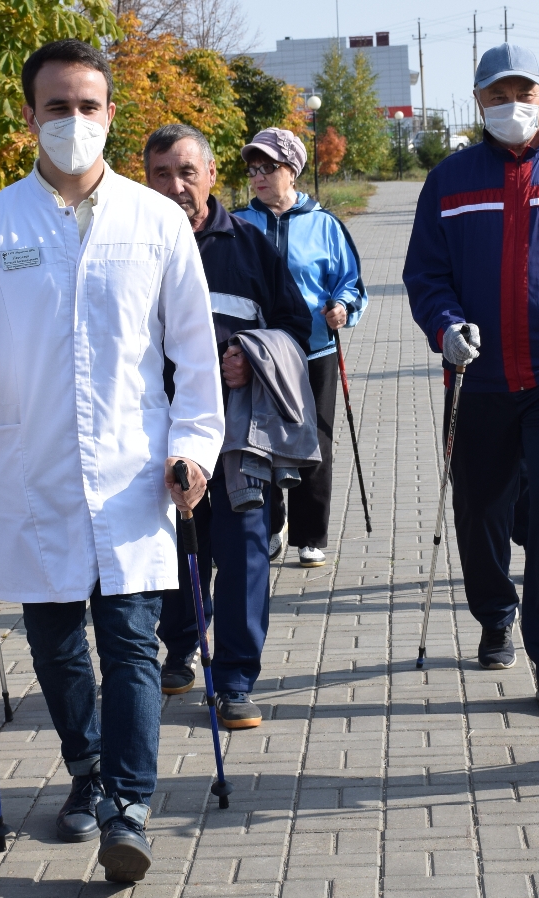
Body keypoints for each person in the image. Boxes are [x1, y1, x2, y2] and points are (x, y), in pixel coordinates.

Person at [0, 41, 223, 883]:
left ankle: (127, 803)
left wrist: (193, 446)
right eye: (57, 107)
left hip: (133, 471)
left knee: (129, 642)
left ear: (112, 114)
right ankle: (85, 769)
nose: (73, 122)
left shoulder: (156, 221)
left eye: (89, 106)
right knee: (56, 645)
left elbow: (194, 353)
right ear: (28, 118)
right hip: (32, 469)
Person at [402, 43, 539, 714]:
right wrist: (445, 327)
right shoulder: (450, 179)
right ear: (478, 102)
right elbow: (424, 273)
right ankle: (495, 611)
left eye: (523, 91)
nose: (511, 105)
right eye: (497, 95)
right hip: (477, 381)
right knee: (481, 513)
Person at [142, 124, 311, 729]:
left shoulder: (250, 246)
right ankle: (180, 646)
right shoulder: (128, 243)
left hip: (240, 434)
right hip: (155, 430)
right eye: (162, 173)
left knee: (241, 553)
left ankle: (236, 680)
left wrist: (253, 354)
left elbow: (297, 328)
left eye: (187, 172)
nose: (176, 185)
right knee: (177, 545)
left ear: (212, 175)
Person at [233, 128, 367, 569]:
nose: (258, 177)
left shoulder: (325, 225)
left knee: (317, 443)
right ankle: (270, 527)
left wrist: (342, 307)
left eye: (268, 167)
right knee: (261, 443)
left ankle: (311, 536)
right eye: (253, 169)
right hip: (259, 354)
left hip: (313, 351)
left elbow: (349, 281)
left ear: (292, 170)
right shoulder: (238, 225)